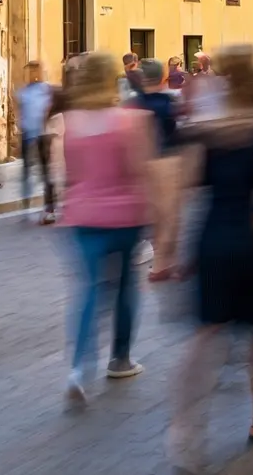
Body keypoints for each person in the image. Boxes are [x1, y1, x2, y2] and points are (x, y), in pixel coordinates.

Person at [167, 46, 253, 472]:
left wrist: (170, 250)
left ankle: (185, 431)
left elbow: (181, 189)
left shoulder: (204, 125)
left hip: (213, 237)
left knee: (206, 335)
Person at [59, 53, 153, 408]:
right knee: (126, 286)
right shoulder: (130, 121)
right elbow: (140, 169)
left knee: (88, 292)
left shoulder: (71, 121)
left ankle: (78, 371)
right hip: (125, 215)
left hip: (82, 215)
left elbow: (70, 173)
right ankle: (121, 359)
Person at [128, 60, 181, 282]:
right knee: (168, 215)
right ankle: (164, 261)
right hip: (166, 160)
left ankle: (159, 260)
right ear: (161, 78)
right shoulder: (169, 101)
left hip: (142, 161)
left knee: (152, 213)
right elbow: (176, 130)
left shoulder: (134, 103)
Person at [16, 61, 56, 224]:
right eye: (29, 71)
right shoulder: (23, 92)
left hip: (42, 136)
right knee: (26, 172)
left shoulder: (46, 90)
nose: (32, 74)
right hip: (27, 135)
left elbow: (50, 110)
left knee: (46, 173)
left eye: (34, 70)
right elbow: (20, 112)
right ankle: (26, 206)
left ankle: (50, 206)